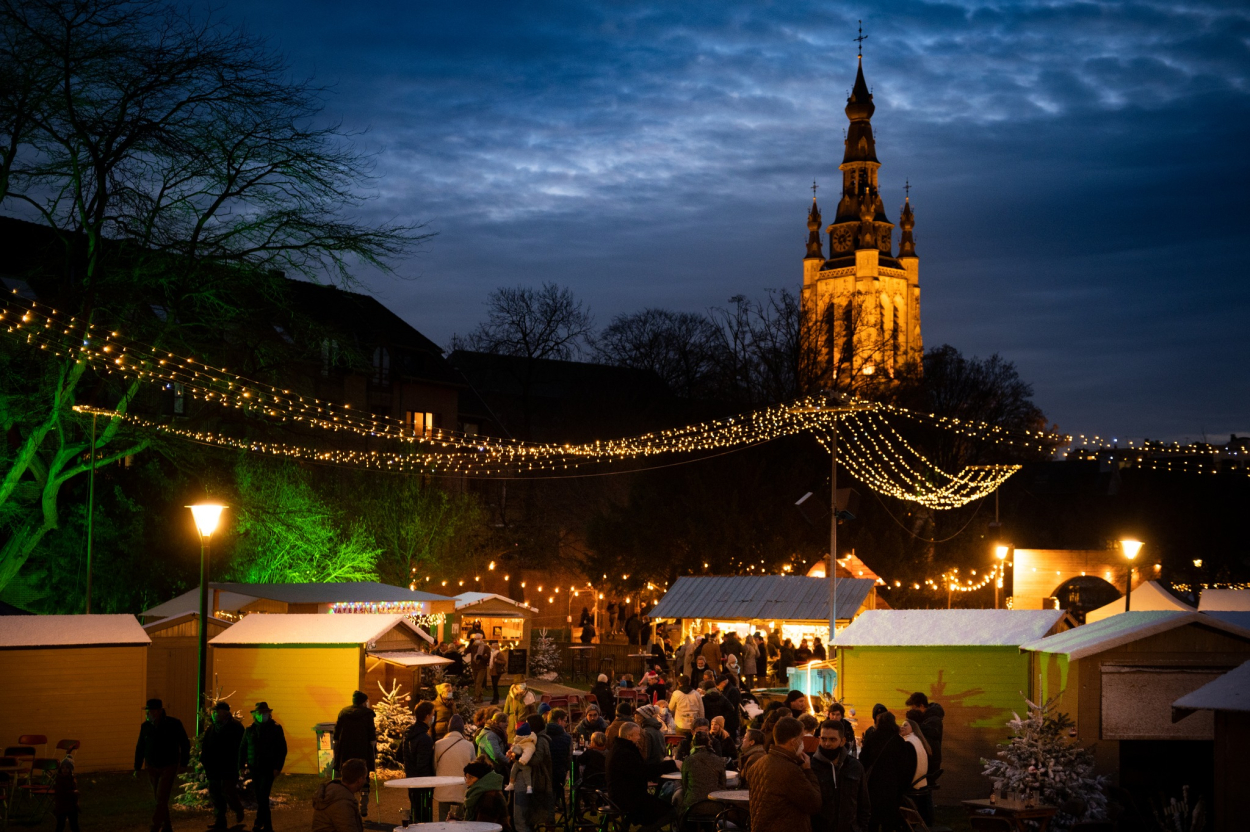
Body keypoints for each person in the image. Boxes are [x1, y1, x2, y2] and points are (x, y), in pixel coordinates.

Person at [744, 716, 822, 832]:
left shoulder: (758, 763)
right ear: (793, 742)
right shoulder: (789, 770)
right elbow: (814, 803)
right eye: (801, 739)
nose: (802, 743)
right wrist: (808, 771)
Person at [606, 722, 677, 830]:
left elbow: (639, 771)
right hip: (629, 800)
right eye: (638, 734)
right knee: (672, 811)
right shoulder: (625, 753)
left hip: (623, 796)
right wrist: (672, 764)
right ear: (629, 736)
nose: (640, 737)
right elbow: (645, 771)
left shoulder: (618, 749)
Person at [134, 697, 190, 832]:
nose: (147, 714)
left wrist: (183, 763)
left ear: (158, 711)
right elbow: (140, 746)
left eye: (150, 711)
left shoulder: (173, 724)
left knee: (161, 796)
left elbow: (184, 743)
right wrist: (137, 766)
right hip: (152, 766)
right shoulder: (146, 727)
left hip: (168, 765)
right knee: (159, 798)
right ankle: (167, 825)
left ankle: (156, 825)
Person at [858, 713, 916, 832]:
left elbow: (863, 759)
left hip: (873, 785)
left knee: (872, 821)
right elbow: (904, 767)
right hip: (891, 786)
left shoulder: (872, 737)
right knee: (888, 822)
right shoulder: (898, 741)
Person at [810, 720, 870, 832]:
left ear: (842, 741)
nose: (827, 744)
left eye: (832, 739)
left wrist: (861, 828)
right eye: (823, 739)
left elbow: (864, 804)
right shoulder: (812, 767)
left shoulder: (855, 767)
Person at [239, 702, 286, 832]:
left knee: (263, 796)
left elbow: (282, 749)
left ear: (269, 714)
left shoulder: (276, 728)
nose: (262, 716)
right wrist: (241, 765)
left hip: (268, 768)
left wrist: (278, 767)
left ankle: (268, 826)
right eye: (259, 713)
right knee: (261, 797)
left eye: (264, 713)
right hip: (255, 768)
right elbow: (243, 748)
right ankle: (259, 822)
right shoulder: (250, 729)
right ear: (255, 715)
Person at [200, 701, 245, 829]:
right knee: (215, 793)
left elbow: (241, 747)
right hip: (213, 767)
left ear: (225, 713)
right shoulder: (212, 728)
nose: (214, 714)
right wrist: (204, 760)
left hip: (229, 766)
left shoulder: (236, 727)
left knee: (228, 790)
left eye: (216, 712)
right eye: (213, 712)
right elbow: (206, 746)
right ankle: (220, 820)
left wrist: (240, 763)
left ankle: (238, 808)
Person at [333, 691, 376, 819]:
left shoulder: (343, 712)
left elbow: (336, 732)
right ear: (363, 702)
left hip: (346, 751)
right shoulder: (368, 714)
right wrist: (373, 748)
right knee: (364, 777)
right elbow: (371, 735)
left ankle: (346, 805)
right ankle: (363, 806)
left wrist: (337, 747)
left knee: (347, 779)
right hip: (363, 751)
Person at [434, 715, 476, 819]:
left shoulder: (438, 744)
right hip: (461, 789)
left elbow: (434, 766)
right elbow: (473, 768)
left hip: (443, 789)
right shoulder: (469, 746)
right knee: (459, 821)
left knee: (444, 822)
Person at [311, 757, 368, 832]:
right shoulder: (343, 803)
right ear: (359, 780)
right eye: (365, 778)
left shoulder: (336, 791)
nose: (366, 780)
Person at [403, 701, 437, 822]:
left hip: (411, 779)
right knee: (424, 816)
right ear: (427, 716)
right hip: (423, 784)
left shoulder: (408, 733)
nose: (434, 717)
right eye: (433, 714)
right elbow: (422, 765)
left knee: (415, 813)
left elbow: (400, 755)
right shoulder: (425, 738)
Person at [678, 729, 726, 812]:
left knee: (677, 796)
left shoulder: (688, 760)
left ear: (693, 743)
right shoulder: (718, 760)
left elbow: (684, 784)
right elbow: (722, 784)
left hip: (692, 806)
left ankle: (680, 823)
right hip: (715, 805)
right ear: (709, 743)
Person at [904, 692, 944, 784]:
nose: (912, 711)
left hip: (930, 766)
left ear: (921, 706)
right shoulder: (928, 719)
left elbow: (932, 733)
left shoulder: (933, 720)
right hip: (928, 764)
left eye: (914, 708)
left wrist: (913, 725)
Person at [900, 718, 934, 824]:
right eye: (902, 725)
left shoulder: (909, 743)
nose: (902, 727)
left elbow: (907, 767)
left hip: (913, 784)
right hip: (921, 782)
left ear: (913, 728)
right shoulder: (918, 741)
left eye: (905, 725)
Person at [463, 760, 510, 828]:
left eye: (471, 777)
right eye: (466, 777)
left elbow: (482, 827)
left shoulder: (490, 797)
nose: (467, 781)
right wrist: (456, 821)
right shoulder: (476, 794)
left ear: (482, 779)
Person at [545, 708, 573, 796]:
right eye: (565, 721)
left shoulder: (541, 735)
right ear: (559, 721)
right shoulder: (566, 738)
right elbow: (569, 760)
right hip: (558, 775)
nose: (565, 724)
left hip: (542, 775)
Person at [475, 710, 510, 775]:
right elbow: (496, 755)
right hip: (490, 770)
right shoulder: (490, 736)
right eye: (504, 721)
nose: (507, 724)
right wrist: (509, 761)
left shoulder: (497, 733)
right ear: (496, 722)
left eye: (507, 721)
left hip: (494, 769)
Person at [52, 754, 79, 832]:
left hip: (72, 806)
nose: (65, 770)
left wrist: (76, 803)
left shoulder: (72, 779)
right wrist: (73, 792)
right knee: (60, 824)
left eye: (67, 768)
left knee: (74, 825)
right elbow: (61, 793)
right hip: (62, 806)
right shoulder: (59, 780)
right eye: (63, 768)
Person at [503, 676, 531, 742]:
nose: (523, 685)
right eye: (521, 683)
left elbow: (533, 712)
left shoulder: (529, 696)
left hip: (524, 725)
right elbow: (505, 712)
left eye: (524, 683)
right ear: (515, 685)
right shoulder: (510, 696)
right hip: (512, 726)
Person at [470, 635, 492, 702]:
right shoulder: (473, 646)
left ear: (481, 639)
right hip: (474, 666)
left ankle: (477, 697)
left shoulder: (486, 647)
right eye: (476, 639)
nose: (477, 640)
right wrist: (470, 644)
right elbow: (466, 651)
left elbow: (488, 656)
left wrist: (481, 657)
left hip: (482, 667)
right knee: (476, 682)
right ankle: (480, 696)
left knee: (478, 682)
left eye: (478, 638)